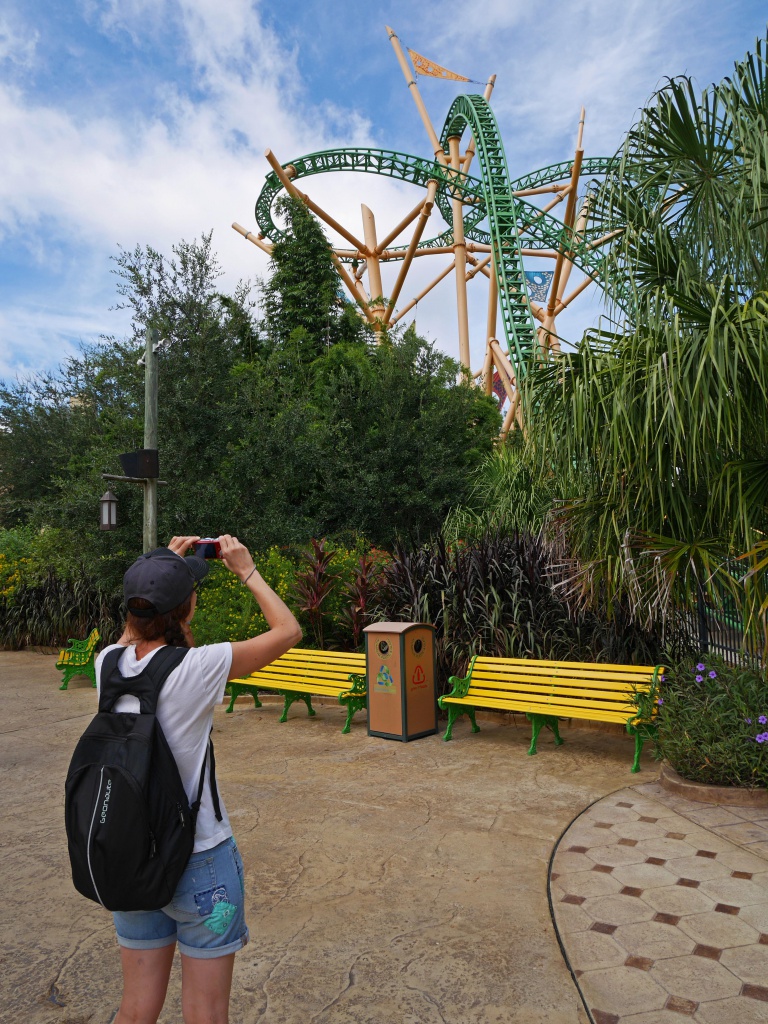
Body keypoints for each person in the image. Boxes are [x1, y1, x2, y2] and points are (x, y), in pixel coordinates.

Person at [95, 534, 302, 1024]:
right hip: (201, 863)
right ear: (186, 609)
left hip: (131, 857)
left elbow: (132, 638)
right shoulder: (199, 666)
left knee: (136, 1008)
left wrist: (161, 564)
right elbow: (288, 629)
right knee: (206, 1015)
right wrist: (246, 570)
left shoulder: (107, 664)